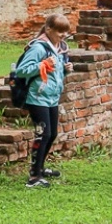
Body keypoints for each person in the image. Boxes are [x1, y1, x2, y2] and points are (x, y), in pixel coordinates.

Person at [13, 13, 72, 188]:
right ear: (48, 29)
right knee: (43, 135)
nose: (63, 35)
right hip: (37, 98)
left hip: (51, 97)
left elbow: (54, 73)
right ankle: (34, 177)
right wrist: (42, 65)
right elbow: (21, 70)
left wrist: (65, 69)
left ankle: (40, 168)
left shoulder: (58, 48)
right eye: (60, 31)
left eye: (66, 31)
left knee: (52, 134)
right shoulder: (39, 48)